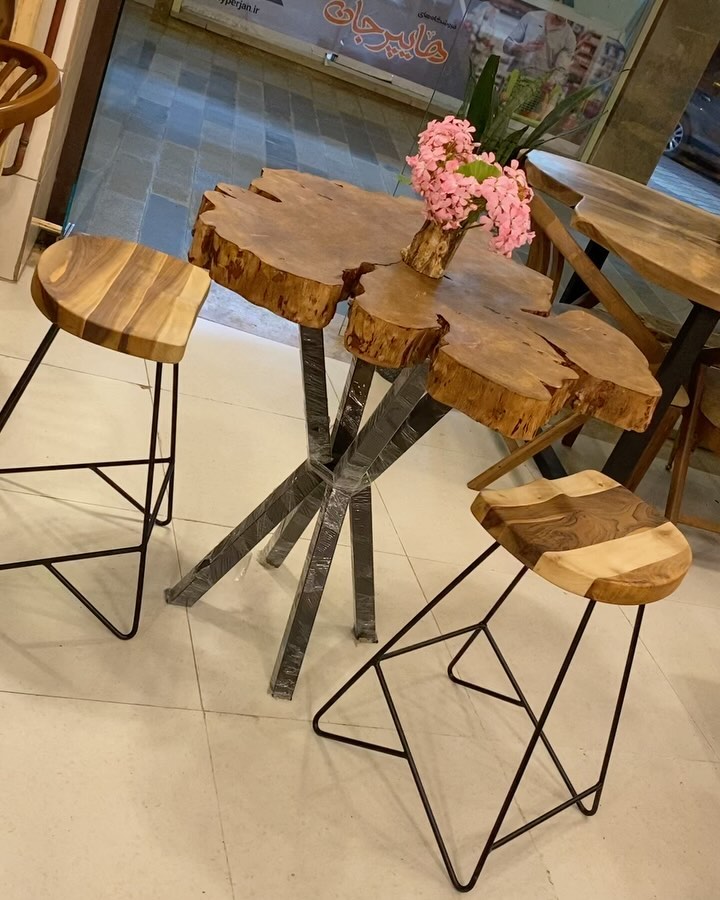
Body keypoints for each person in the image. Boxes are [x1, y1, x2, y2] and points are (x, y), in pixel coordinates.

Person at [503, 11, 576, 86]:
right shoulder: (531, 17)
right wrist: (520, 47)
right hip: (511, 79)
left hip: (535, 89)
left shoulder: (569, 38)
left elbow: (561, 70)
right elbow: (506, 45)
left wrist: (552, 82)